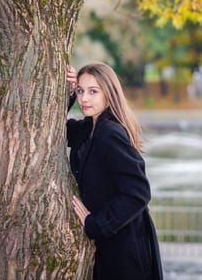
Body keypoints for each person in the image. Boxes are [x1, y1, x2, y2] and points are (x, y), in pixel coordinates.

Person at [66, 62, 163, 280]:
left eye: (93, 91)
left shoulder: (109, 133)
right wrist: (68, 93)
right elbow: (54, 130)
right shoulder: (91, 127)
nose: (84, 99)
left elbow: (138, 193)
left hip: (126, 247)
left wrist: (96, 223)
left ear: (109, 93)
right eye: (81, 91)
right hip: (111, 244)